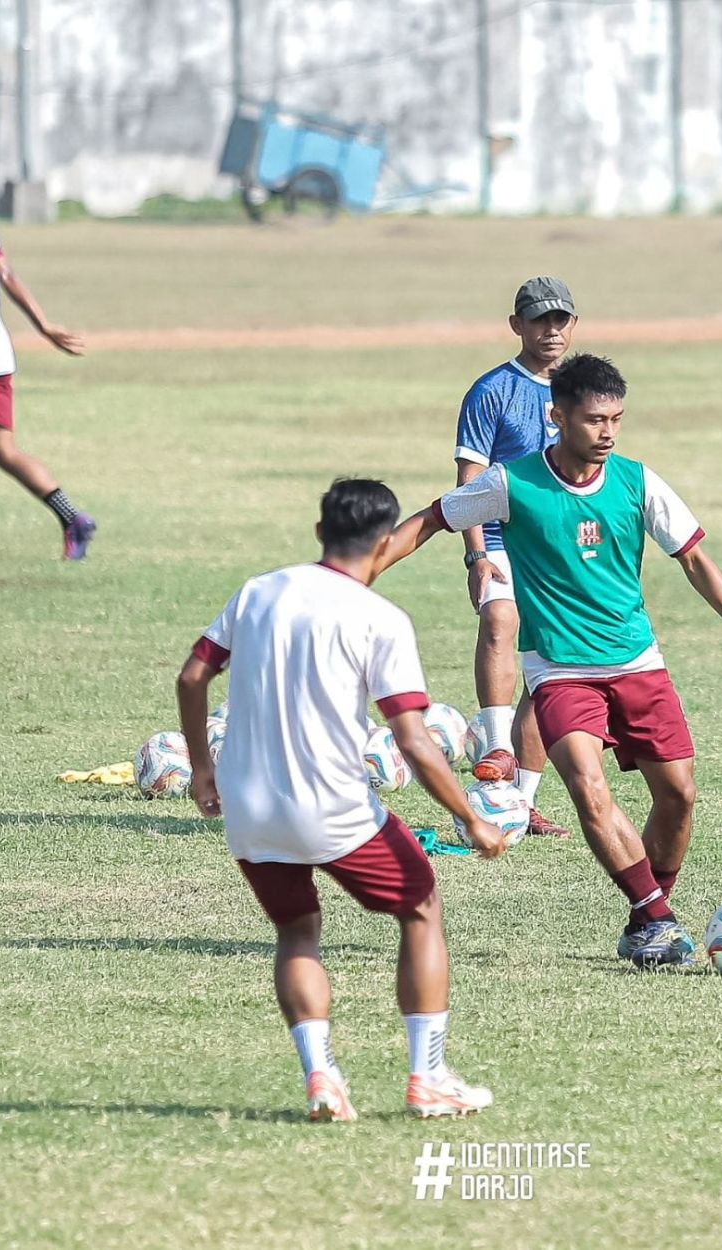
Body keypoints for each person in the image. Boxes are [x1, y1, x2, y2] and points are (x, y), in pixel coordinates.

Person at [381, 355, 722, 968]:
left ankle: (645, 916)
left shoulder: (638, 481)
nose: (608, 432)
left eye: (616, 418)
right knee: (589, 790)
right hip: (560, 671)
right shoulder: (512, 483)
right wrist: (360, 574)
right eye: (594, 420)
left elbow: (693, 557)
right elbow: (430, 520)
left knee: (680, 798)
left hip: (638, 663)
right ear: (557, 417)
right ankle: (661, 920)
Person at [177, 478, 507, 1123]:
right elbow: (411, 739)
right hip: (334, 809)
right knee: (421, 909)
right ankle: (429, 1077)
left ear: (320, 531)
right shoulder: (379, 618)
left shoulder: (258, 591)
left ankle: (323, 1078)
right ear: (385, 542)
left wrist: (200, 768)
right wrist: (471, 818)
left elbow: (194, 675)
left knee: (297, 931)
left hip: (249, 809)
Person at [455, 276, 577, 838]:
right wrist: (475, 553)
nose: (550, 331)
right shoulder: (491, 391)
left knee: (548, 670)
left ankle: (521, 803)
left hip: (558, 546)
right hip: (502, 539)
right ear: (517, 326)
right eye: (538, 320)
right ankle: (497, 751)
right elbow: (469, 481)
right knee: (501, 619)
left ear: (572, 326)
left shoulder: (580, 391)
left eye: (560, 320)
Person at [0, 151, 96, 559]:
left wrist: (42, 324)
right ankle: (72, 517)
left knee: (2, 451)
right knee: (2, 452)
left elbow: (6, 272)